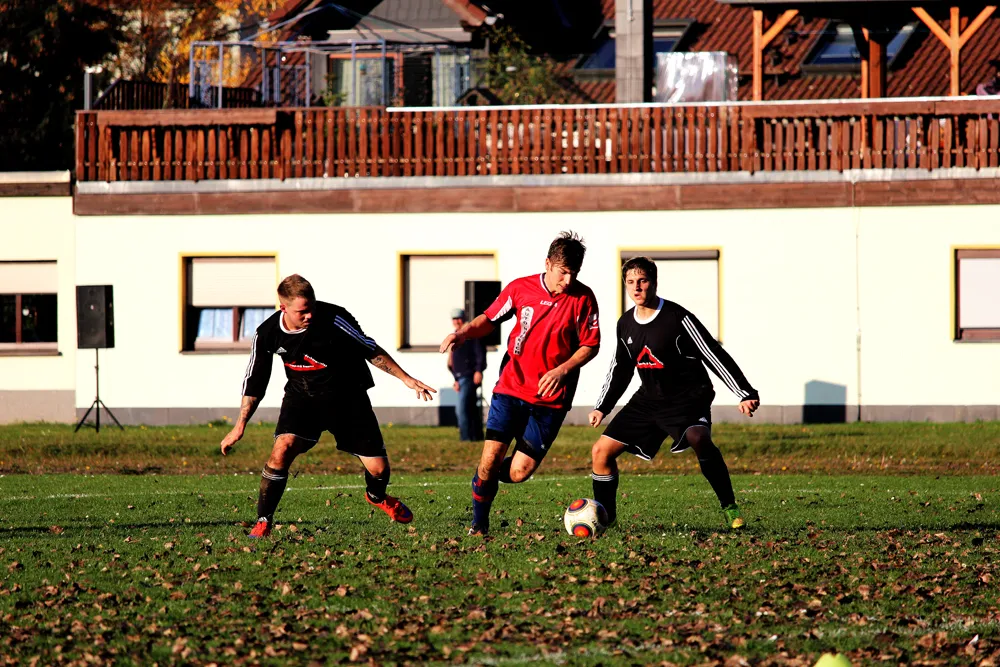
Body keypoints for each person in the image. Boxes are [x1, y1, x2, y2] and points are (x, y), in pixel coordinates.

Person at [220, 274, 436, 538]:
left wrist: (406, 379)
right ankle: (263, 521)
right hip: (302, 400)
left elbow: (369, 348)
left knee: (379, 470)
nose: (309, 315)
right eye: (302, 311)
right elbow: (255, 381)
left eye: (311, 307)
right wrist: (239, 426)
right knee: (281, 450)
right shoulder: (267, 333)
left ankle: (377, 497)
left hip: (348, 399)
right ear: (283, 307)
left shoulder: (334, 318)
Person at [439, 231, 601, 536]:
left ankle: (482, 479)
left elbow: (590, 345)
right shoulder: (520, 289)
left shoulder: (584, 298)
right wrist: (463, 334)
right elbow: (488, 319)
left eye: (574, 273)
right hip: (511, 389)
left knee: (519, 472)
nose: (568, 280)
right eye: (563, 272)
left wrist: (562, 370)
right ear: (548, 264)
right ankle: (479, 525)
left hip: (551, 399)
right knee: (490, 458)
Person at [588, 257, 759, 530]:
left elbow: (712, 352)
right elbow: (620, 368)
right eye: (630, 282)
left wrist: (744, 392)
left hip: (688, 397)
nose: (637, 287)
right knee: (600, 451)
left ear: (654, 282)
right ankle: (606, 518)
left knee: (699, 438)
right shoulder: (625, 323)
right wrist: (602, 407)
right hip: (648, 400)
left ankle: (729, 506)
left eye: (642, 281)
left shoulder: (677, 317)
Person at [447, 308, 486, 441]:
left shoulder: (471, 334)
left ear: (463, 319)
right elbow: (452, 361)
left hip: (469, 376)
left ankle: (465, 438)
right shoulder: (454, 335)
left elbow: (480, 353)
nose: (456, 321)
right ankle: (476, 436)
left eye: (458, 318)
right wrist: (455, 379)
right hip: (459, 378)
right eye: (454, 319)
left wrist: (478, 371)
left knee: (462, 409)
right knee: (470, 408)